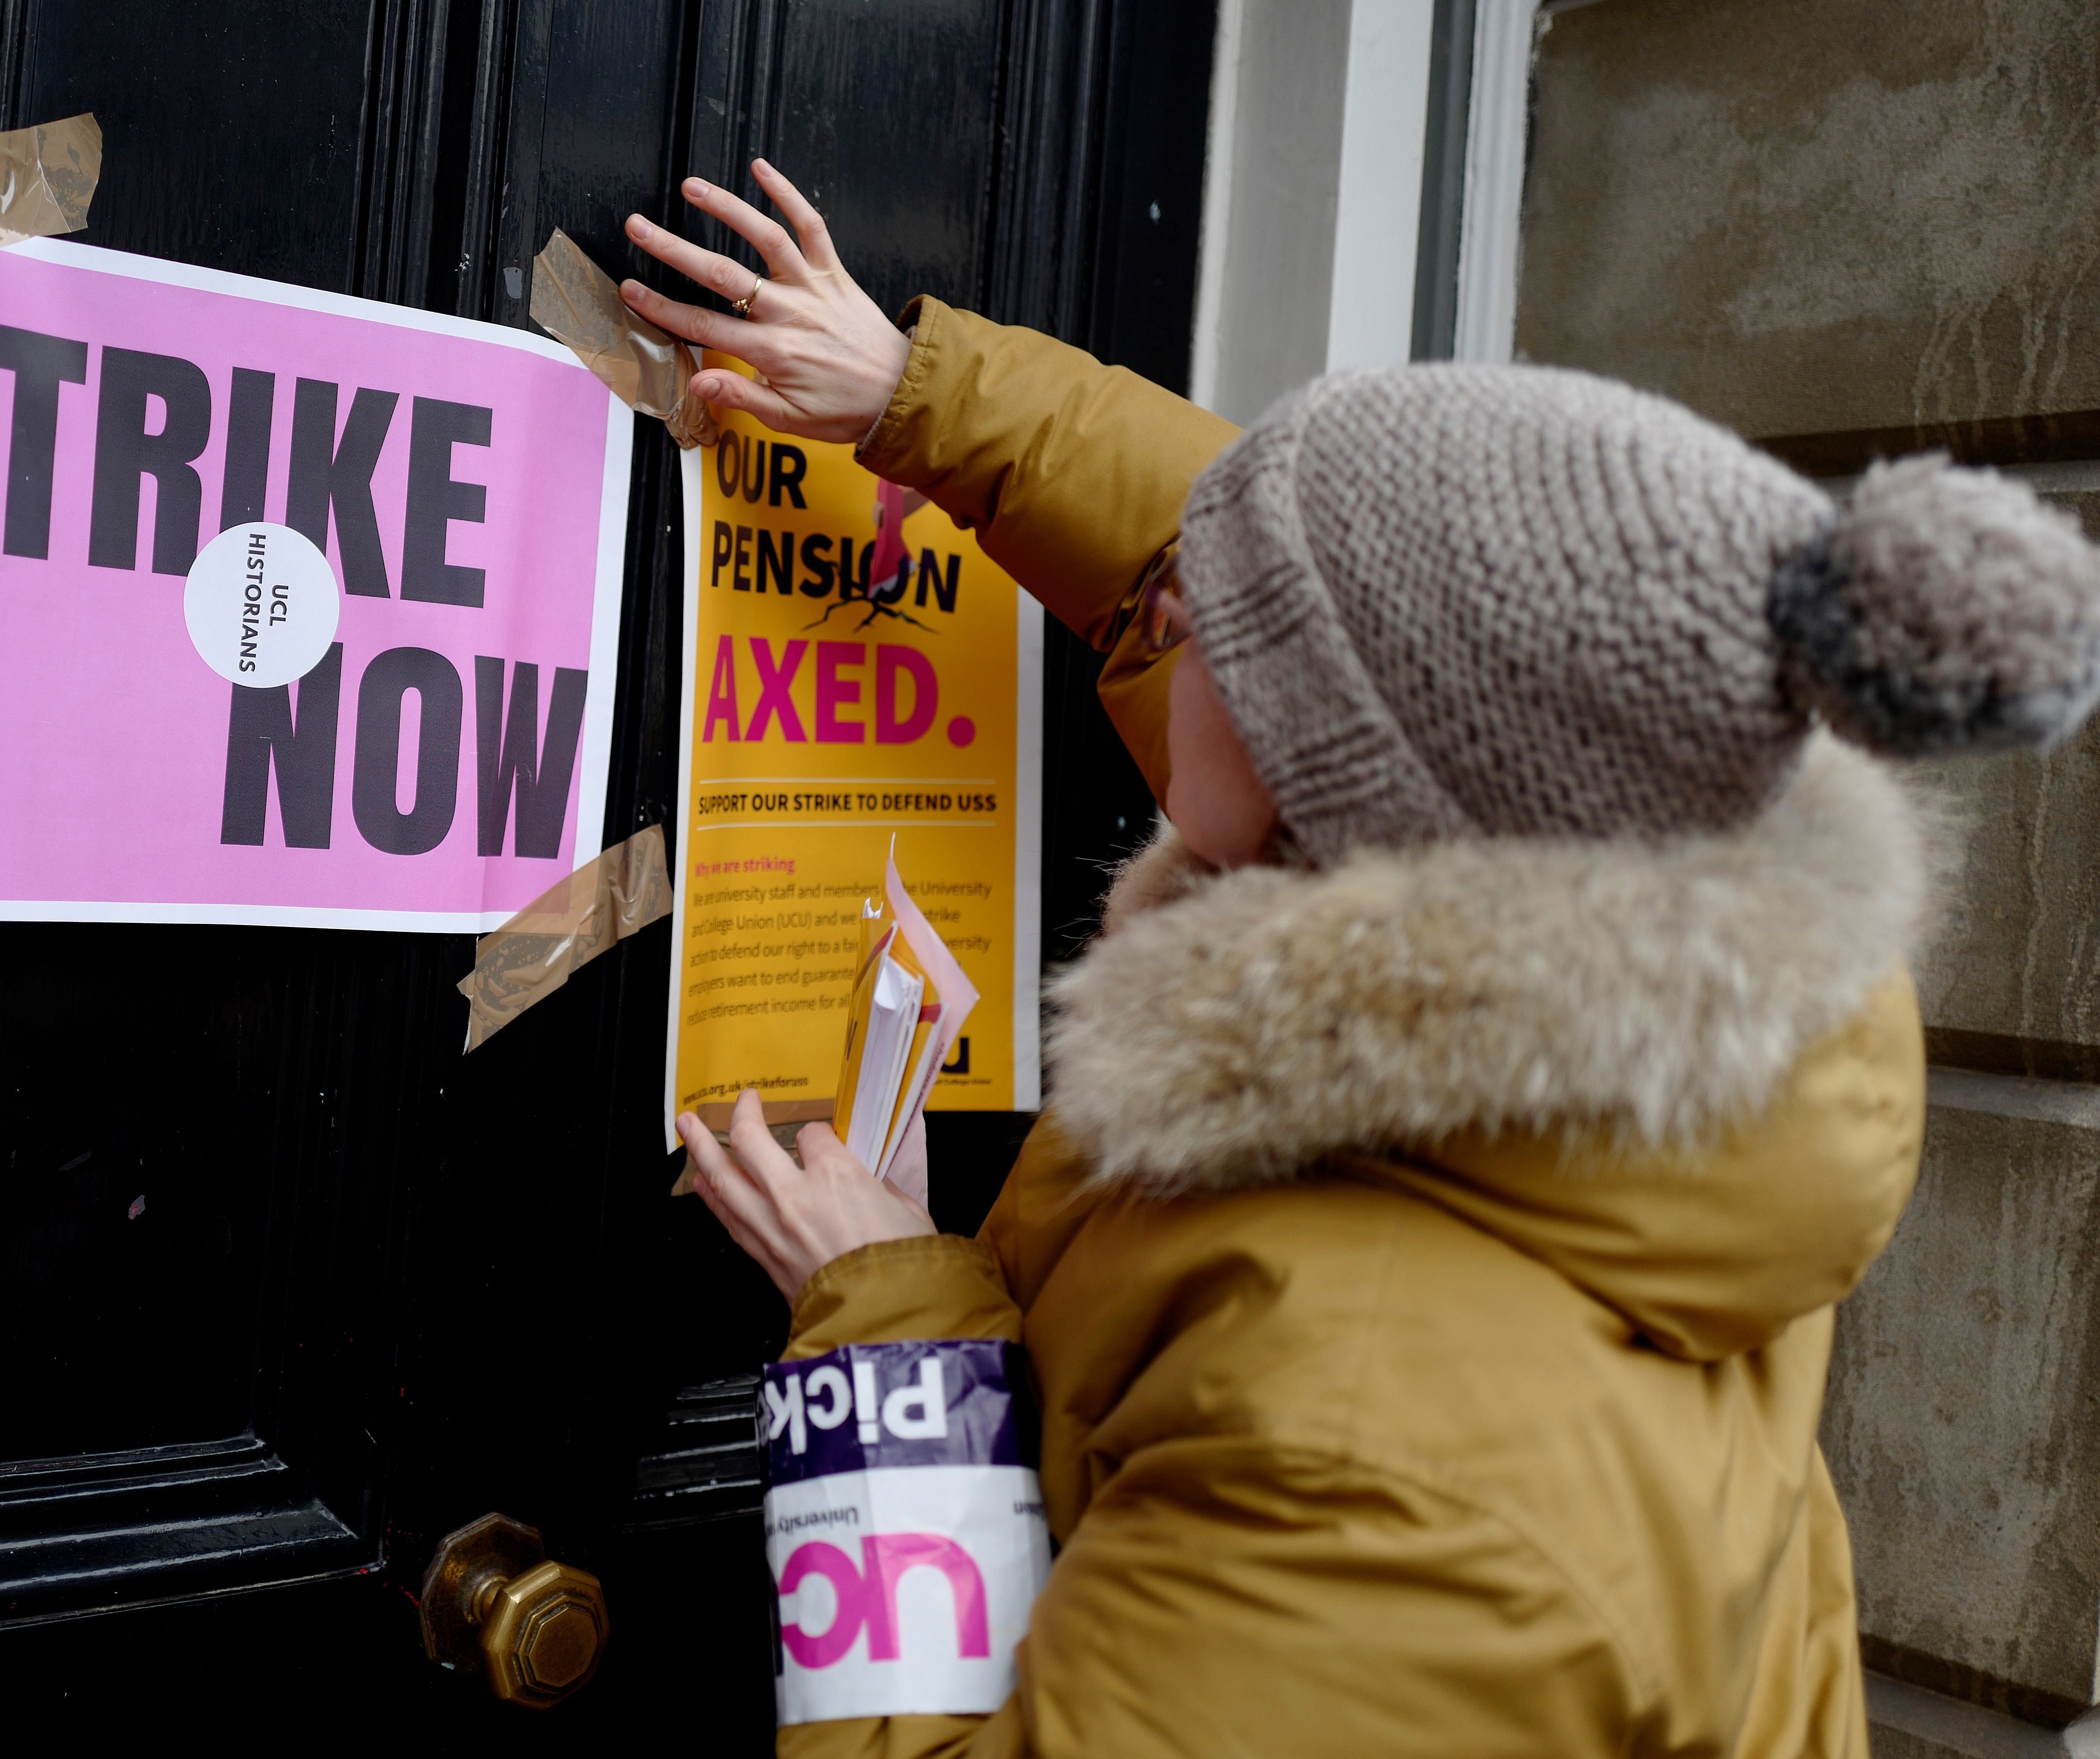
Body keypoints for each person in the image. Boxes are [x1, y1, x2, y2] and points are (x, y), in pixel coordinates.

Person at [634, 163, 2100, 1756]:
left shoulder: (1390, 1486)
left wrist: (898, 1334)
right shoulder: (1658, 976)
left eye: (1213, 619)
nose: (1168, 612)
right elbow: (1324, 590)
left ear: (1332, 774)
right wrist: (924, 397)